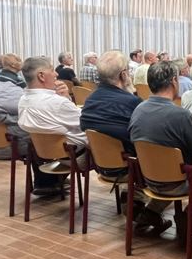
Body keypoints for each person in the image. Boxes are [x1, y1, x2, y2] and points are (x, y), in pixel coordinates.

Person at [129, 61, 192, 243]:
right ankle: (191, 217)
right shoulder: (181, 115)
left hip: (149, 180)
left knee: (171, 171)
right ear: (174, 81)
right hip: (178, 182)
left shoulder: (138, 110)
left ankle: (150, 212)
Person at [79, 50, 156, 229]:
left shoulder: (89, 100)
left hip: (102, 165)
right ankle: (140, 201)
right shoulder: (131, 103)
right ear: (123, 74)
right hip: (130, 167)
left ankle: (131, 196)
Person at [17, 57, 87, 193]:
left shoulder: (23, 100)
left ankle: (47, 182)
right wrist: (67, 99)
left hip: (43, 153)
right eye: (52, 70)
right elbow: (85, 122)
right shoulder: (57, 102)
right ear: (41, 76)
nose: (56, 74)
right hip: (72, 154)